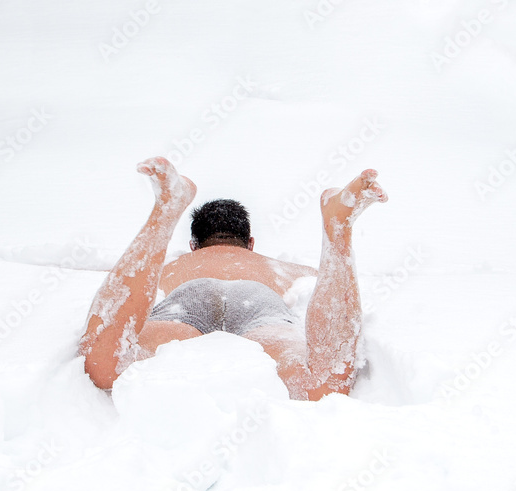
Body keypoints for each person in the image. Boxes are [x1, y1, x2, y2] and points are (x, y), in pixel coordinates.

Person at [79, 157, 387, 400]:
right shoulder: (277, 267)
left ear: (193, 246)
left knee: (105, 365)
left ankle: (165, 213)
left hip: (182, 306)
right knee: (324, 383)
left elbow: (125, 287)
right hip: (261, 308)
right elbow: (324, 286)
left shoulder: (172, 266)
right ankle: (337, 230)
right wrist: (336, 268)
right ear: (250, 244)